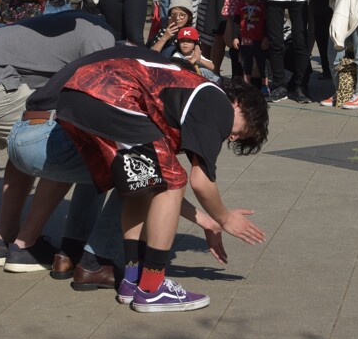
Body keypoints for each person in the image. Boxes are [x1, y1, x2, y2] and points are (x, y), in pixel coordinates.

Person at [51, 46, 269, 312]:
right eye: (243, 131)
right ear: (240, 104)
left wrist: (207, 221)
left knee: (145, 183)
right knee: (172, 180)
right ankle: (152, 289)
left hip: (76, 93)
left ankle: (131, 281)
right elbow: (201, 182)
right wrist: (225, 218)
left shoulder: (189, 98)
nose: (232, 137)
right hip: (109, 93)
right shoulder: (218, 103)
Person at [0, 11, 115, 270]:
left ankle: (3, 240)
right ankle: (26, 245)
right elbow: (99, 96)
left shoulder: (75, 22)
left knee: (23, 143)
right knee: (63, 144)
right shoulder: (101, 35)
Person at [228, 0, 269, 94]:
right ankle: (247, 85)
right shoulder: (241, 6)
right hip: (245, 40)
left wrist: (266, 38)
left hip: (259, 40)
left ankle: (265, 85)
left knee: (262, 64)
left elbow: (267, 23)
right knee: (247, 63)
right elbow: (236, 22)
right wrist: (235, 37)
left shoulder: (262, 6)